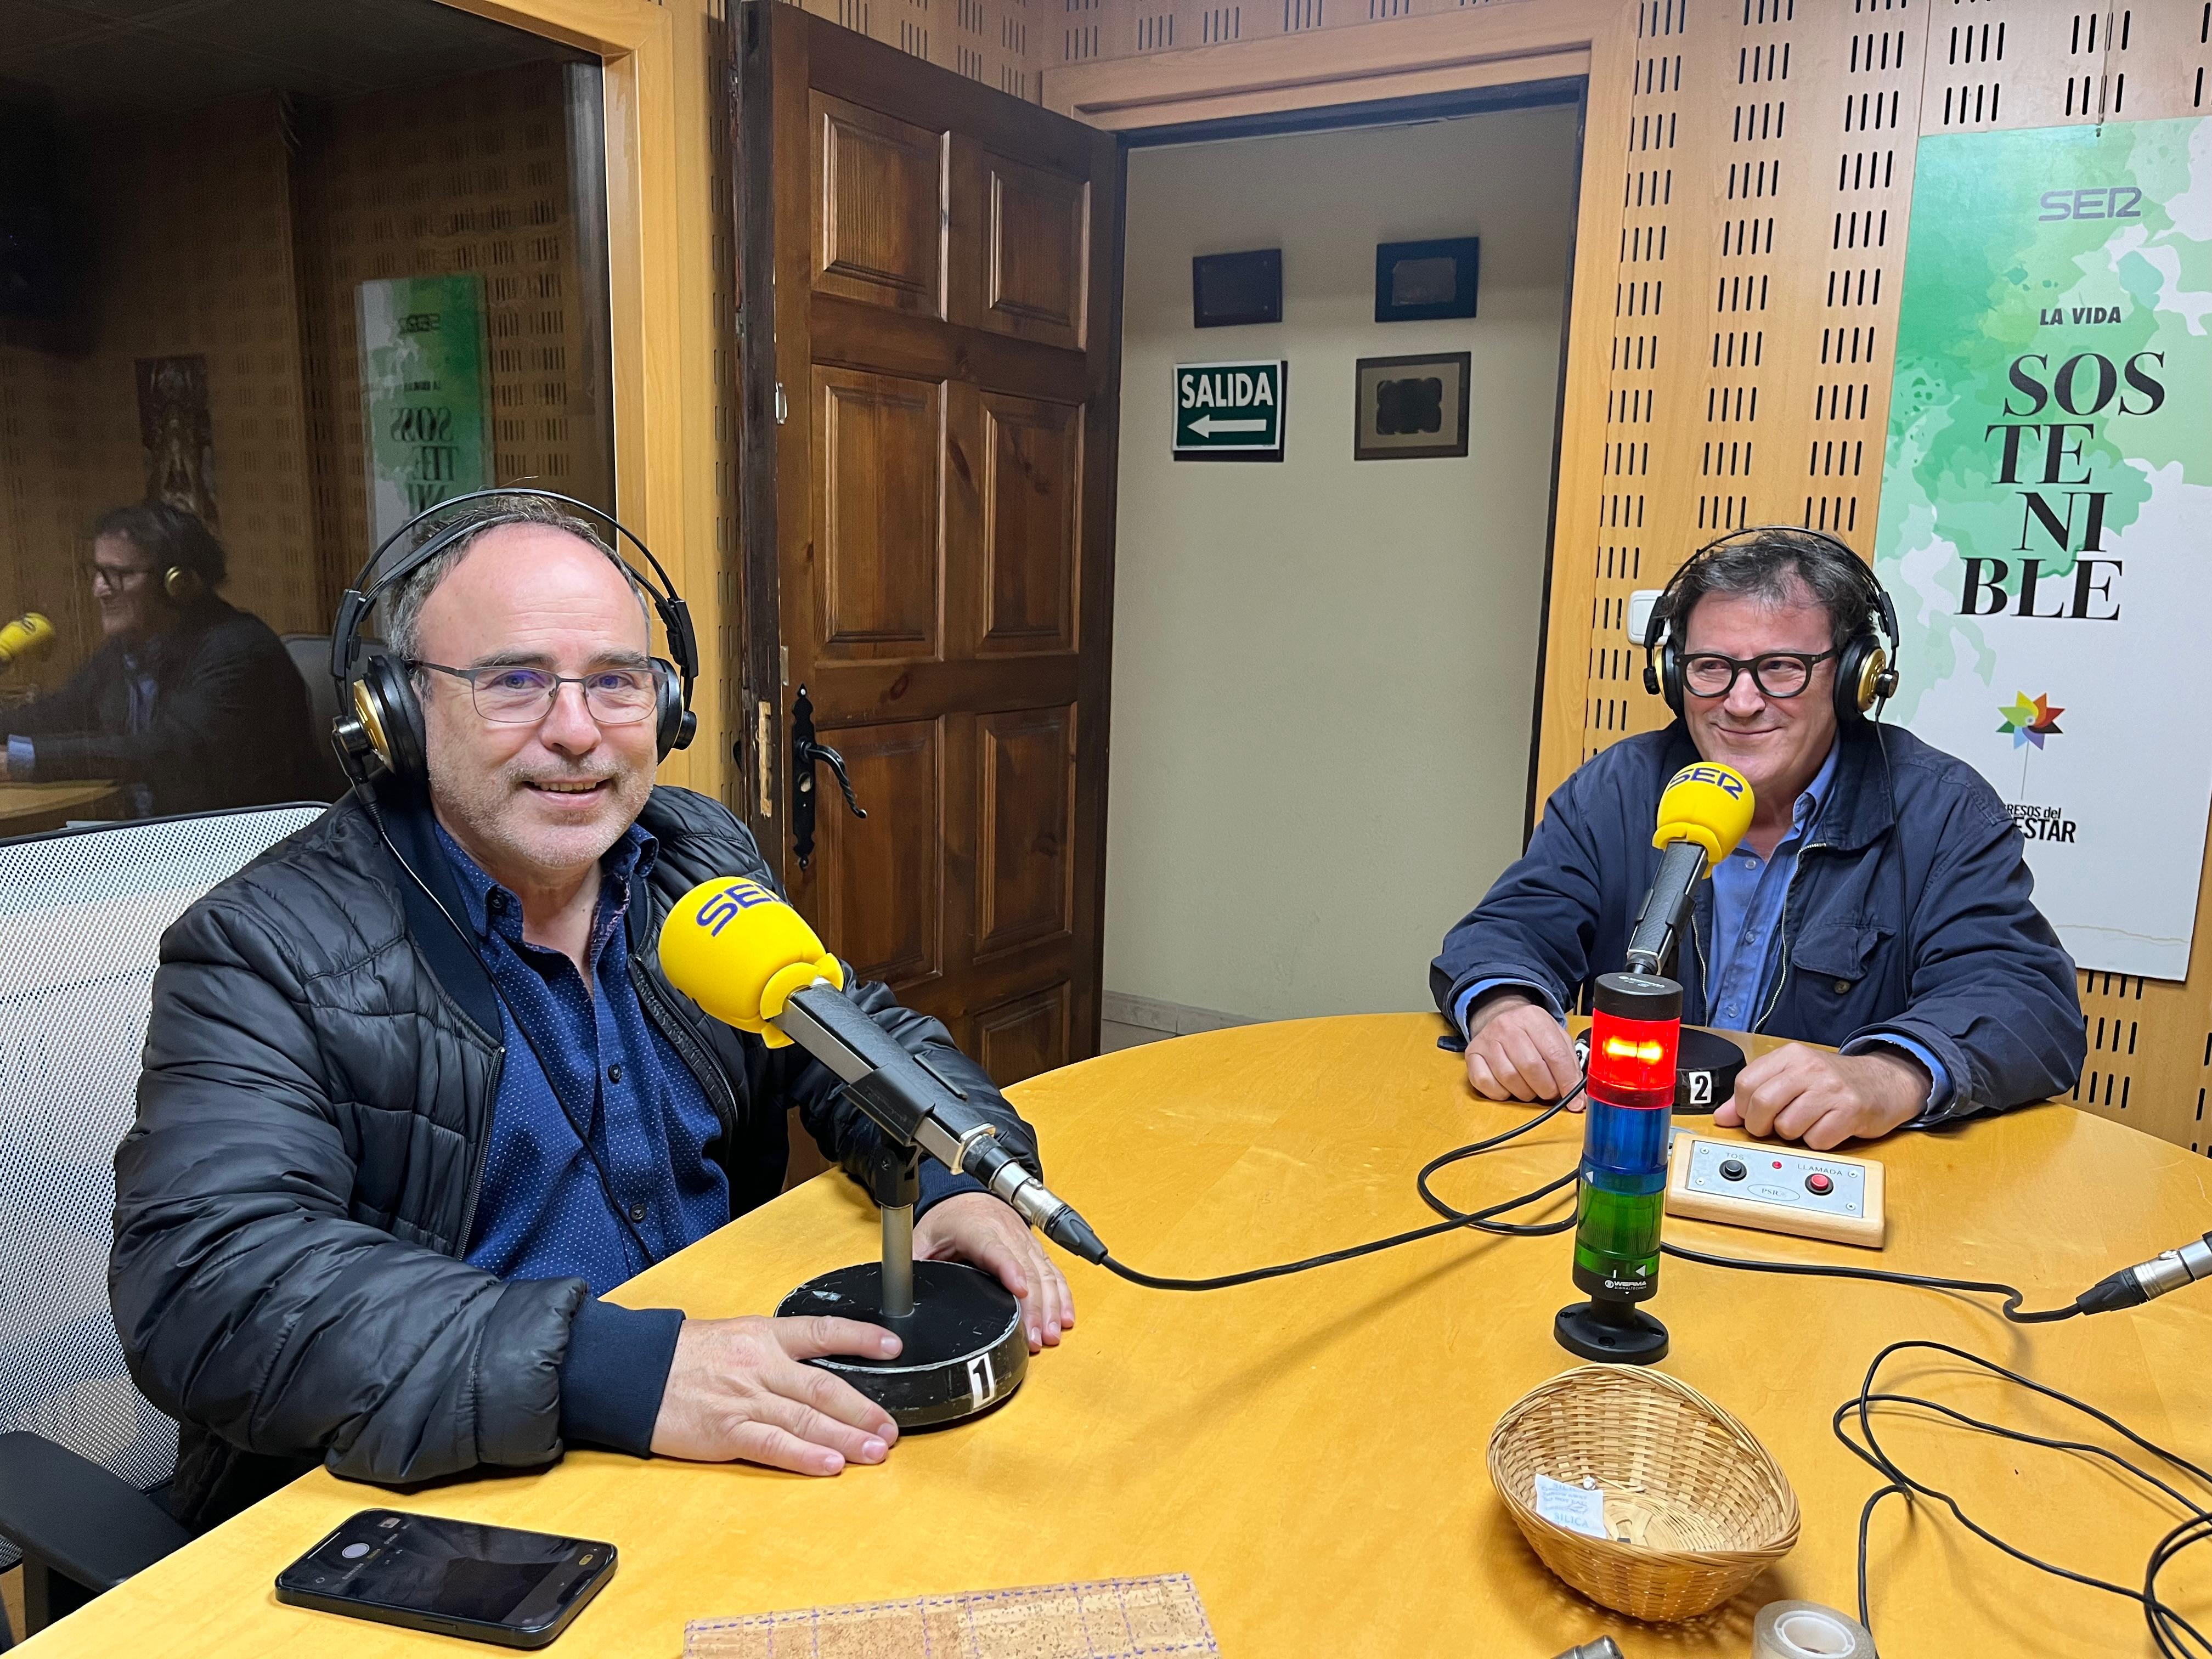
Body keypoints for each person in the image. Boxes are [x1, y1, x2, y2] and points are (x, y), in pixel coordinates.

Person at [111, 495, 1074, 1531]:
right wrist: (626, 1371)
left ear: (665, 709)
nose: (576, 732)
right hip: (454, 1490)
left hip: (726, 1433)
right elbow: (209, 1282)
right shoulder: (266, 943)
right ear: (395, 709)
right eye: (513, 681)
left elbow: (844, 1028)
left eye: (615, 682)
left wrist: (947, 1176)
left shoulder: (693, 854)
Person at [1432, 526, 2084, 1151]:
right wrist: (1502, 1007)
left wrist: (1889, 1076)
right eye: (1711, 667)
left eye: (1781, 667)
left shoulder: (1941, 811)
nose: (1741, 703)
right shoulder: (1620, 787)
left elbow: (2026, 1002)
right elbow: (1508, 931)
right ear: (1671, 672)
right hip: (1629, 1149)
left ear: (1858, 678)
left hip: (1816, 1175)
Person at [0, 503, 328, 812]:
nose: (100, 589)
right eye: (98, 572)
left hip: (254, 848)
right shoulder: (129, 646)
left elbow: (163, 749)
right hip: (163, 834)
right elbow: (61, 713)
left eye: (119, 574)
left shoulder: (238, 651)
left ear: (178, 583)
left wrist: (21, 759)